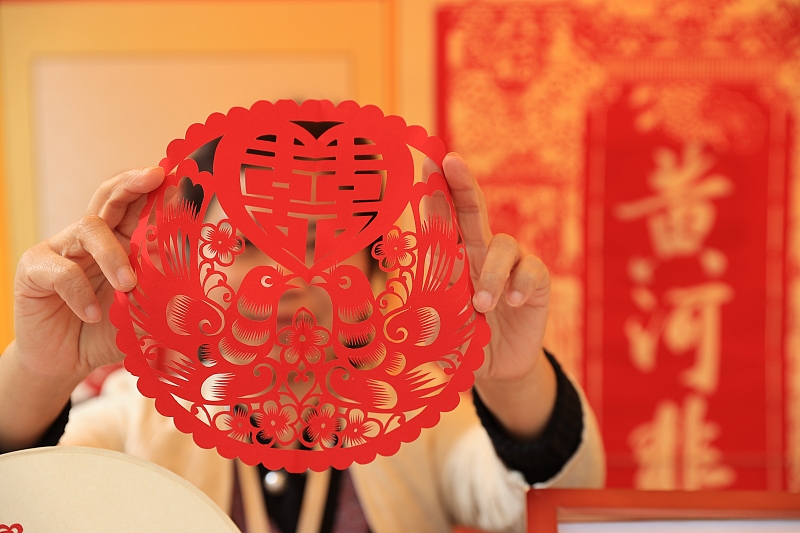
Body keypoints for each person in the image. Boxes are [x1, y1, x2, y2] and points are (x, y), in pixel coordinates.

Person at [0, 153, 604, 533]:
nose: (289, 277)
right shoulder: (139, 417)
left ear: (376, 274)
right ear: (188, 266)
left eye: (322, 241)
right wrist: (38, 370)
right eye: (246, 243)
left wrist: (514, 380)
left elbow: (547, 508)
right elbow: (23, 504)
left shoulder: (420, 417)